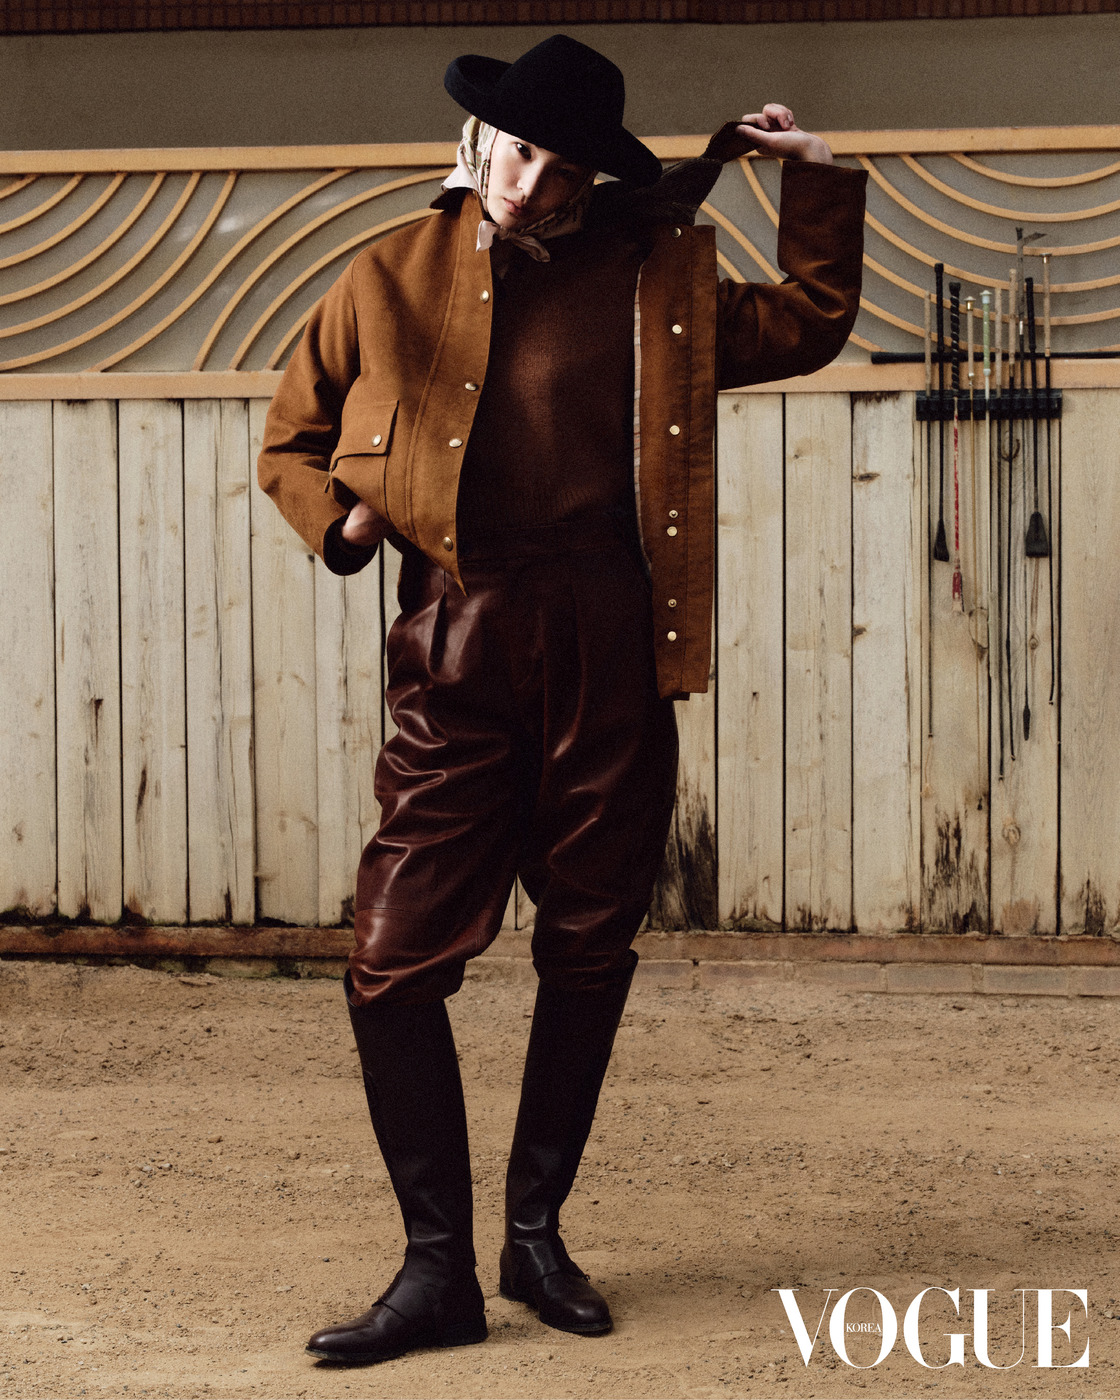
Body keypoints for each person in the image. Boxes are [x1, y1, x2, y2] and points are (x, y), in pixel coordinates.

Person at [257, 33, 866, 1366]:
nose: (528, 185)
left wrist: (814, 172)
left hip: (611, 643)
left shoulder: (663, 280)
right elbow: (290, 436)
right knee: (391, 961)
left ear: (595, 176)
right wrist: (341, 522)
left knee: (589, 945)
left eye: (560, 166)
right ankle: (436, 1271)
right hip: (458, 641)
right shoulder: (385, 275)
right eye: (515, 151)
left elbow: (814, 319)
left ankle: (533, 1237)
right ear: (480, 139)